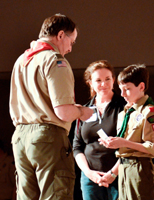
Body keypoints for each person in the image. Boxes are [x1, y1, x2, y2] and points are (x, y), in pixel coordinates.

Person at [9, 14, 93, 200]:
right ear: (61, 35)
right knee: (56, 194)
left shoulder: (21, 61)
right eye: (72, 41)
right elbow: (63, 111)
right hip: (47, 138)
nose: (70, 48)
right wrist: (81, 111)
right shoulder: (55, 61)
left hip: (20, 139)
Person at [99, 64, 154, 200]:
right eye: (121, 90)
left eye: (127, 89)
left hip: (139, 168)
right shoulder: (124, 113)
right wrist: (113, 172)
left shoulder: (149, 112)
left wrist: (124, 142)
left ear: (141, 87)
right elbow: (124, 151)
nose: (122, 94)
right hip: (123, 168)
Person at [72, 60, 126, 200]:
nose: (104, 84)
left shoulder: (124, 107)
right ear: (90, 83)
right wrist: (89, 173)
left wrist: (113, 173)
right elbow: (77, 147)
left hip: (118, 174)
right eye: (98, 80)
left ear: (114, 80)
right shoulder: (84, 110)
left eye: (108, 79)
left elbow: (131, 144)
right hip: (90, 178)